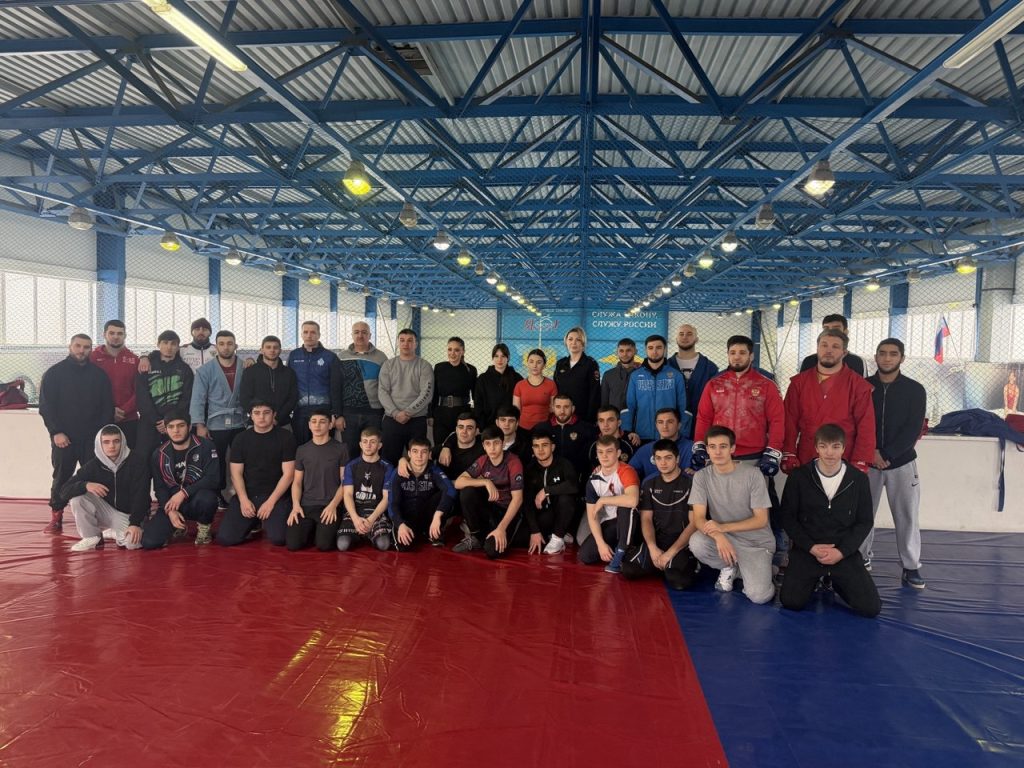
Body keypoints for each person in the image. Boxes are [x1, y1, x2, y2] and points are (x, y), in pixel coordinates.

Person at [780, 424, 880, 617]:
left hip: (842, 552)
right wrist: (810, 547)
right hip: (808, 551)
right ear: (816, 448)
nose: (829, 453)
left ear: (843, 448)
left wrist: (841, 552)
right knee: (791, 602)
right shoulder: (799, 477)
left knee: (870, 608)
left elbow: (865, 521)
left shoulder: (858, 479)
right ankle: (817, 577)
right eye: (824, 446)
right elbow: (788, 517)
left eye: (835, 447)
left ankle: (836, 580)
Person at [861, 338, 928, 589]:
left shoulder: (915, 389)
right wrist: (871, 452)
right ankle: (860, 558)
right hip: (867, 463)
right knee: (862, 515)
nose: (887, 358)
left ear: (902, 358)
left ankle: (911, 566)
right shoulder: (863, 387)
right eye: (882, 353)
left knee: (907, 515)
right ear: (875, 357)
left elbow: (913, 428)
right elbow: (856, 422)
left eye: (893, 354)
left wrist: (887, 454)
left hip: (902, 463)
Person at [688, 425, 775, 604]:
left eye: (723, 446)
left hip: (756, 543)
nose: (717, 452)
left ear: (732, 448)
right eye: (712, 447)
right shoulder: (701, 477)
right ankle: (731, 566)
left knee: (759, 597)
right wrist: (719, 535)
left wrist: (722, 528)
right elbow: (698, 518)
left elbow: (761, 520)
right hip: (725, 539)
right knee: (697, 542)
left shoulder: (753, 475)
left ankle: (757, 569)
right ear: (707, 450)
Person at [39, 333, 114, 534]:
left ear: (91, 349)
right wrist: (56, 432)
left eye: (86, 347)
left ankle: (97, 516)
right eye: (78, 346)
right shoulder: (54, 374)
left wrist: (102, 435)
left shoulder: (99, 375)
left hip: (92, 438)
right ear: (70, 347)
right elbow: (46, 407)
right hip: (64, 439)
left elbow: (107, 407)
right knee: (62, 476)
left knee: (96, 476)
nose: (82, 350)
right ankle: (56, 516)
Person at [782, 329, 875, 473]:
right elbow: (789, 420)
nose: (829, 350)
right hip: (807, 453)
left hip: (843, 455)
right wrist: (789, 452)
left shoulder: (858, 385)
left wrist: (860, 459)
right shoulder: (799, 382)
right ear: (817, 349)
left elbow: (866, 425)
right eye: (824, 345)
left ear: (844, 352)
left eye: (835, 346)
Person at [622, 439, 700, 590]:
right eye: (658, 458)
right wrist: (652, 548)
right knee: (628, 570)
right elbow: (646, 519)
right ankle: (660, 564)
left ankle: (678, 564)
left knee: (679, 581)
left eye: (668, 458)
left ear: (677, 459)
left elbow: (694, 523)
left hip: (681, 544)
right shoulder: (649, 483)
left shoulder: (691, 483)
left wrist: (670, 553)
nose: (663, 463)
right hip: (658, 541)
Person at [216, 400, 296, 546]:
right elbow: (236, 474)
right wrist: (243, 500)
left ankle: (263, 518)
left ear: (274, 414)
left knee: (279, 539)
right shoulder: (241, 439)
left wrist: (270, 502)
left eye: (266, 413)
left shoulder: (286, 437)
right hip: (249, 495)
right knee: (226, 539)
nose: (261, 417)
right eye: (257, 413)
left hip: (275, 496)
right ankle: (252, 521)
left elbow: (289, 474)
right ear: (251, 415)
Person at [60, 424, 149, 552]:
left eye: (116, 441)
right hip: (105, 511)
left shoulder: (137, 462)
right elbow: (63, 491)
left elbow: (141, 496)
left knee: (133, 544)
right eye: (106, 442)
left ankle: (114, 532)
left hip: (128, 515)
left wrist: (135, 523)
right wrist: (86, 485)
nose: (111, 446)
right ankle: (91, 537)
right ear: (99, 444)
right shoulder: (93, 465)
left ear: (123, 442)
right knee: (77, 499)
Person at [143, 410, 220, 548]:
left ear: (189, 427)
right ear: (166, 429)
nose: (176, 430)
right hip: (173, 503)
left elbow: (213, 479)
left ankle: (204, 527)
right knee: (149, 542)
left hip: (197, 499)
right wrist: (170, 512)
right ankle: (178, 525)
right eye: (171, 427)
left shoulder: (205, 446)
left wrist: (183, 493)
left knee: (208, 498)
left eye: (181, 425)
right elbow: (159, 488)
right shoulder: (158, 454)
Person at [452, 426, 528, 558]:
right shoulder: (483, 460)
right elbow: (458, 482)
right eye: (488, 444)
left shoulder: (513, 462)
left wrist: (501, 528)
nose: (492, 448)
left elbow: (518, 499)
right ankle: (476, 536)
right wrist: (485, 482)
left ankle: (495, 536)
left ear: (503, 443)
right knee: (467, 492)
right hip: (491, 508)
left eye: (496, 443)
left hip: (508, 512)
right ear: (484, 446)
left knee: (492, 551)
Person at [190, 330, 245, 505]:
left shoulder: (245, 367)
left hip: (240, 421)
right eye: (221, 344)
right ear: (216, 347)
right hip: (216, 423)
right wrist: (200, 425)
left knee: (243, 458)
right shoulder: (205, 370)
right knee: (217, 460)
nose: (226, 347)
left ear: (235, 346)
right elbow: (198, 399)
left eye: (229, 343)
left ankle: (243, 492)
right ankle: (217, 493)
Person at [286, 408, 350, 552]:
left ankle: (321, 530)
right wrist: (295, 506)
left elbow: (345, 482)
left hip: (329, 504)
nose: (317, 425)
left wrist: (333, 505)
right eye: (314, 422)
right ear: (309, 425)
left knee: (324, 545)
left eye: (322, 422)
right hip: (307, 505)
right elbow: (297, 482)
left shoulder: (341, 448)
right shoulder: (302, 450)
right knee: (293, 544)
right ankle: (312, 530)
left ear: (330, 425)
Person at [580, 435, 641, 573]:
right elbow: (592, 515)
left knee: (625, 507)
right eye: (600, 452)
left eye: (609, 451)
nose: (604, 456)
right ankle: (621, 549)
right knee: (585, 555)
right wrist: (601, 544)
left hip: (633, 523)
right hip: (612, 523)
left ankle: (621, 552)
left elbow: (633, 500)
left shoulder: (626, 471)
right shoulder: (593, 480)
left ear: (618, 453)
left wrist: (603, 500)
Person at [136, 330, 194, 463]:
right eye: (165, 343)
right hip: (149, 423)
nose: (169, 347)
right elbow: (142, 396)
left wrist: (169, 420)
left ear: (178, 347)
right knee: (143, 460)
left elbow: (186, 397)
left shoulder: (185, 369)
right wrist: (156, 421)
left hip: (174, 423)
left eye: (173, 344)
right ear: (158, 344)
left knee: (174, 459)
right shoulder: (147, 366)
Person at [390, 437, 456, 551]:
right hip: (406, 518)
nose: (419, 456)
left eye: (424, 452)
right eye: (415, 451)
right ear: (409, 453)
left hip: (427, 516)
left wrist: (437, 516)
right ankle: (414, 533)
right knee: (404, 547)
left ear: (429, 454)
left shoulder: (434, 470)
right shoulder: (399, 472)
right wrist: (400, 524)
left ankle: (433, 531)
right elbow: (392, 503)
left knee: (445, 494)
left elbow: (450, 490)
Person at [378, 328, 433, 465]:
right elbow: (382, 391)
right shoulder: (388, 365)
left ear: (416, 344)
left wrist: (408, 412)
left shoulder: (424, 366)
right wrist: (395, 413)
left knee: (417, 461)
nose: (405, 344)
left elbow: (426, 393)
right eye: (402, 340)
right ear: (398, 343)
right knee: (388, 461)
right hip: (392, 420)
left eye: (410, 341)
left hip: (416, 421)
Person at [622, 334, 689, 444]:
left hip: (669, 435)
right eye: (650, 348)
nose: (654, 351)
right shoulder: (635, 376)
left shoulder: (676, 375)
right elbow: (628, 406)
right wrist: (627, 431)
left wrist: (682, 433)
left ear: (665, 349)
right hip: (641, 436)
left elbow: (684, 407)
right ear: (646, 350)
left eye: (658, 347)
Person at [337, 426, 394, 551]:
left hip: (376, 512)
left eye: (372, 442)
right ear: (360, 444)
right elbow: (347, 494)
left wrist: (370, 520)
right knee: (343, 545)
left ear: (379, 445)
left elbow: (386, 498)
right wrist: (355, 519)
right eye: (365, 441)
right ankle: (360, 534)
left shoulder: (387, 467)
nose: (368, 445)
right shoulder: (351, 466)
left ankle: (367, 533)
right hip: (355, 511)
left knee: (383, 544)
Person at [523, 429, 580, 555]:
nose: (540, 450)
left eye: (544, 445)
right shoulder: (530, 469)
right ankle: (552, 534)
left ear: (552, 447)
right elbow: (527, 503)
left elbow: (573, 486)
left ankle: (558, 537)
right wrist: (535, 531)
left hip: (564, 513)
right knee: (521, 539)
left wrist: (546, 490)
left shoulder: (563, 464)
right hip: (544, 515)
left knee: (566, 497)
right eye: (536, 446)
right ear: (532, 449)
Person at [337, 321, 388, 457]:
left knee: (374, 451)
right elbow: (336, 387)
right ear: (352, 335)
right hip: (349, 414)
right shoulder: (341, 357)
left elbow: (386, 386)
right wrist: (338, 415)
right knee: (350, 452)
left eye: (364, 332)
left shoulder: (381, 357)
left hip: (374, 413)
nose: (360, 335)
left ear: (370, 335)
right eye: (357, 332)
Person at [288, 321, 342, 446]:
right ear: (301, 334)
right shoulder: (294, 355)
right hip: (300, 412)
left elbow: (336, 386)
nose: (309, 335)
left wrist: (336, 413)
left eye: (313, 332)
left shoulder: (330, 357)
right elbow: (286, 379)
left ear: (319, 335)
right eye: (305, 332)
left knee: (324, 447)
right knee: (301, 447)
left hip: (323, 411)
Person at [90, 319, 140, 448]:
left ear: (125, 335)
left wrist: (124, 410)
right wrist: (108, 410)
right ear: (104, 335)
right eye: (112, 333)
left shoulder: (134, 360)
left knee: (129, 456)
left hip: (128, 419)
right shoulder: (92, 358)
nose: (116, 337)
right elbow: (88, 389)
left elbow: (139, 390)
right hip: (100, 418)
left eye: (120, 333)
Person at [667, 324, 719, 435]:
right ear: (676, 339)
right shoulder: (666, 366)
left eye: (689, 334)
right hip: (672, 425)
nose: (685, 337)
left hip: (701, 423)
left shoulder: (710, 368)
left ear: (696, 339)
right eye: (681, 334)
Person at [240, 335, 298, 428]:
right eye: (268, 347)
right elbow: (244, 398)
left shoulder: (289, 373)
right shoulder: (250, 372)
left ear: (280, 350)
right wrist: (259, 417)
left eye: (275, 347)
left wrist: (277, 418)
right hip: (257, 424)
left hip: (282, 423)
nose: (272, 350)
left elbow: (292, 398)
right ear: (261, 350)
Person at [432, 336, 477, 446]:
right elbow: (434, 393)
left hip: (462, 415)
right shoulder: (439, 368)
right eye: (450, 349)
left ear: (463, 351)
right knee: (440, 446)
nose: (452, 353)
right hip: (441, 414)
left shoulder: (470, 370)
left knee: (460, 447)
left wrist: (476, 417)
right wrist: (430, 414)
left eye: (456, 350)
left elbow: (476, 395)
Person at [629, 407, 694, 482]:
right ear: (656, 425)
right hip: (651, 489)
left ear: (679, 425)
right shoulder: (645, 450)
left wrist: (697, 474)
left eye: (670, 422)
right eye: (660, 422)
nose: (665, 426)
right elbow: (629, 471)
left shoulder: (692, 448)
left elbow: (703, 473)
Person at [553, 326, 601, 423]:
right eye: (570, 339)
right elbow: (556, 388)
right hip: (563, 415)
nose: (573, 343)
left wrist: (590, 419)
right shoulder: (560, 363)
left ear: (583, 343)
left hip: (583, 417)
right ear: (566, 342)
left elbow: (595, 393)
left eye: (578, 340)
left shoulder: (590, 364)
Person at [546, 394, 596, 480]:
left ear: (573, 409)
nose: (562, 411)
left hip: (579, 478)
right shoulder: (543, 428)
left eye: (566, 407)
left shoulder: (586, 429)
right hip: (551, 477)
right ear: (552, 408)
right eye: (558, 407)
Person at [473, 343, 522, 428]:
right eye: (496, 356)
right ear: (492, 358)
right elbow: (478, 404)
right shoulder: (483, 379)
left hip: (510, 425)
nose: (500, 359)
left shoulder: (516, 378)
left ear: (508, 358)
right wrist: (481, 426)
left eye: (503, 356)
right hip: (489, 425)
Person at [800, 314, 866, 376]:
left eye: (836, 329)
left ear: (846, 332)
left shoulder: (857, 361)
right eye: (826, 329)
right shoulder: (809, 361)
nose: (830, 332)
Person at [513, 348, 557, 430]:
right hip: (523, 428)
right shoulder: (519, 385)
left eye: (539, 362)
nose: (534, 365)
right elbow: (516, 410)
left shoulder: (551, 384)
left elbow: (553, 409)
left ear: (544, 365)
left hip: (544, 429)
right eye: (531, 361)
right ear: (527, 364)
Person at [601, 337, 638, 413]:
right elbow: (604, 402)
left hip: (637, 417)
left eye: (628, 350)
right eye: (621, 351)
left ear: (635, 351)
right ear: (616, 353)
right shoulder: (608, 375)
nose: (625, 354)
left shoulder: (642, 374)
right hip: (614, 418)